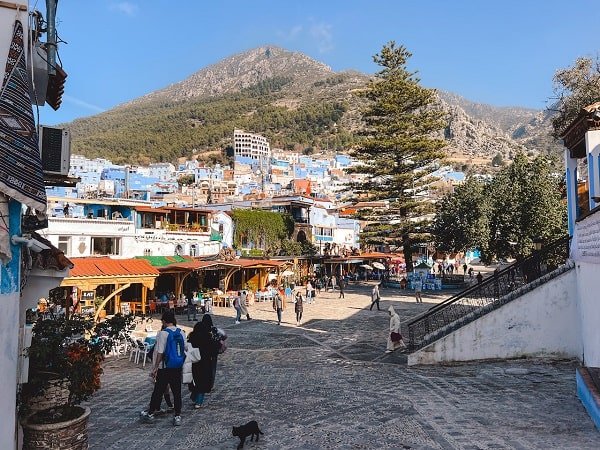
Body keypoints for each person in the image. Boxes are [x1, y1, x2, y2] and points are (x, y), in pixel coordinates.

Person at [140, 311, 185, 426]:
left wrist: (155, 367)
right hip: (177, 366)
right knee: (177, 392)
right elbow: (184, 349)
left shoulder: (163, 333)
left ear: (164, 321)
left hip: (164, 367)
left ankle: (150, 413)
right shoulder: (181, 332)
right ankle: (177, 415)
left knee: (158, 391)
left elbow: (160, 352)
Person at [187, 315, 221, 409]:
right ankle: (198, 401)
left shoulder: (192, 337)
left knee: (195, 380)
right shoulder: (208, 337)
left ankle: (195, 396)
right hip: (205, 362)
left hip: (194, 362)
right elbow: (214, 349)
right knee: (203, 381)